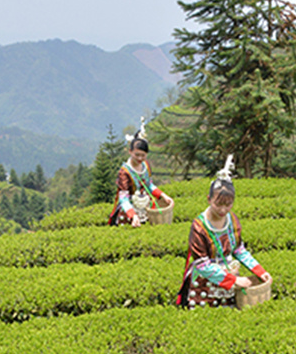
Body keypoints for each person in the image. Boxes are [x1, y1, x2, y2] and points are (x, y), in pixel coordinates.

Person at [174, 156, 271, 309]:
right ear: (209, 199)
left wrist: (259, 270)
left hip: (230, 280)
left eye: (228, 205)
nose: (223, 210)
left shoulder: (232, 220)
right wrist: (232, 281)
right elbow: (202, 264)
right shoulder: (199, 226)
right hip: (205, 285)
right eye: (218, 204)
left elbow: (239, 249)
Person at [106, 118, 173, 226]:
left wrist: (163, 196)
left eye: (143, 155)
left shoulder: (145, 165)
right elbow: (123, 198)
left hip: (146, 206)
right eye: (137, 155)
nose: (140, 158)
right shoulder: (125, 172)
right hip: (129, 211)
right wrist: (133, 215)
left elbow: (149, 185)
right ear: (130, 151)